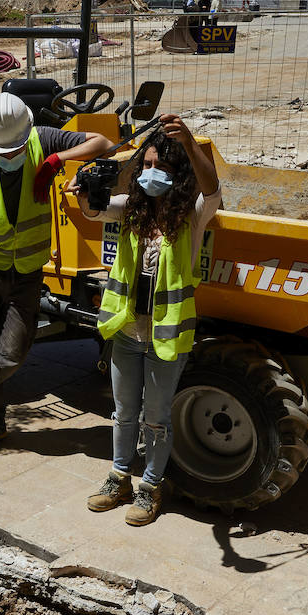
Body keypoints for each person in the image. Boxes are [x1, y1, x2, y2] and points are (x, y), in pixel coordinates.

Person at [0, 93, 112, 455]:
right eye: (4, 151)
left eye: (14, 149)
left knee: (9, 356)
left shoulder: (42, 139)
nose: (11, 156)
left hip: (28, 272)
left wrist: (57, 159)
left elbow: (103, 143)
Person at [65, 114, 221, 526]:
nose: (152, 174)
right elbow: (95, 211)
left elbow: (213, 189)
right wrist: (83, 191)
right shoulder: (132, 210)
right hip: (128, 332)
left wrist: (189, 143)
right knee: (123, 412)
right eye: (147, 166)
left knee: (156, 417)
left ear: (178, 176)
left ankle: (151, 485)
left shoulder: (193, 215)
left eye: (162, 169)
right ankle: (118, 478)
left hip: (166, 338)